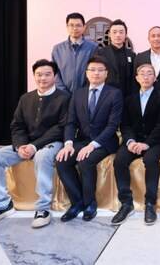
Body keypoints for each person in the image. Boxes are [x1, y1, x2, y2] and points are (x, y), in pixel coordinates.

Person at [0, 59, 70, 228]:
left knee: (42, 157)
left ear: (55, 76)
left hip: (53, 143)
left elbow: (61, 128)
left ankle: (43, 208)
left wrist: (35, 146)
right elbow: (17, 125)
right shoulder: (26, 98)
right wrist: (21, 146)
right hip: (26, 144)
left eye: (47, 74)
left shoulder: (64, 98)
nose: (43, 78)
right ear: (34, 76)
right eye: (39, 74)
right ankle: (1, 205)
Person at [55, 56, 122, 222]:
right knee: (62, 160)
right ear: (86, 73)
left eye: (100, 70)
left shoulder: (115, 94)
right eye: (92, 70)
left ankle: (90, 203)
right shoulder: (78, 94)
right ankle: (76, 202)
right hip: (81, 140)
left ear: (106, 74)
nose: (96, 73)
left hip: (105, 142)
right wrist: (68, 143)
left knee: (86, 161)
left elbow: (112, 126)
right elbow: (70, 122)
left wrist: (92, 145)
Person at [111, 63, 160, 226]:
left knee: (151, 160)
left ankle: (150, 203)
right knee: (119, 161)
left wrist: (146, 144)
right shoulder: (129, 99)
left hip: (156, 141)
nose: (146, 76)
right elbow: (125, 125)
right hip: (133, 140)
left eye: (150, 73)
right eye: (142, 74)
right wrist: (130, 141)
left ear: (155, 78)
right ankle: (126, 203)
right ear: (137, 78)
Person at [52, 12, 97, 94]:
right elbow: (55, 73)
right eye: (71, 25)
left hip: (86, 95)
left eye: (78, 25)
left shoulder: (93, 48)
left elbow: (95, 71)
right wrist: (63, 92)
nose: (75, 28)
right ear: (67, 27)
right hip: (62, 95)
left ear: (84, 27)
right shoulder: (57, 49)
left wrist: (84, 91)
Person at [96, 19, 136, 97]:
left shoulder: (131, 55)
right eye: (114, 32)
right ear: (109, 34)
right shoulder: (101, 53)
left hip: (127, 97)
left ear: (126, 34)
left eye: (121, 32)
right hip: (106, 96)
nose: (118, 35)